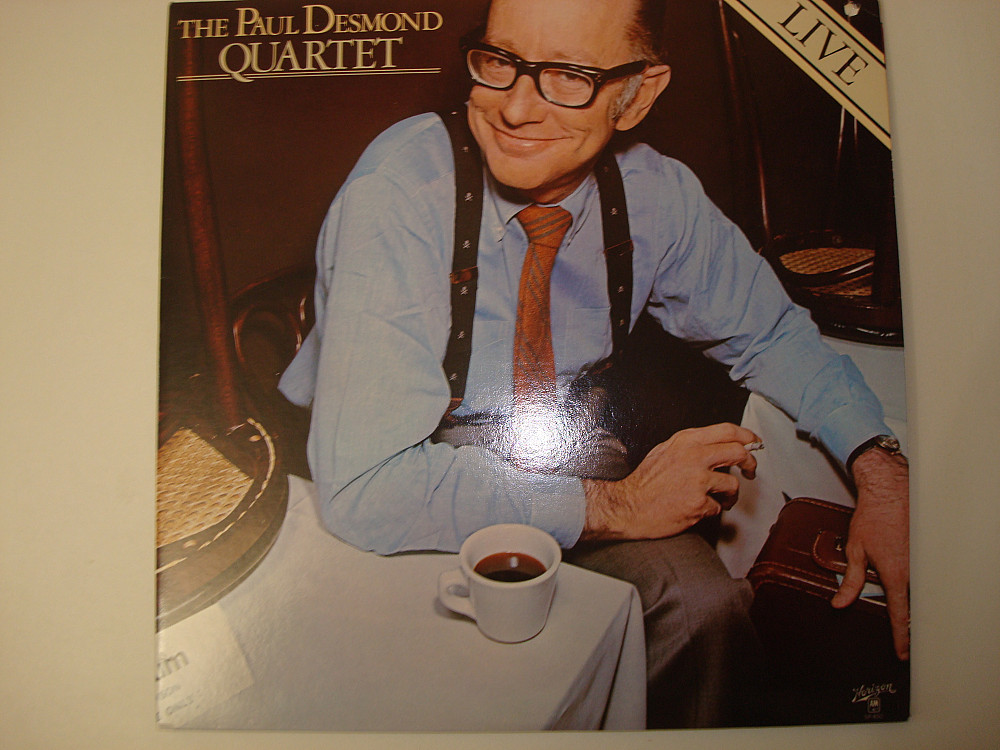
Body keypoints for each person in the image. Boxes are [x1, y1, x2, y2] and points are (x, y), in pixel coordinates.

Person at [279, 0, 909, 728]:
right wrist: (623, 506)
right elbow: (365, 488)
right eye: (499, 61)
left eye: (569, 77)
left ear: (636, 95)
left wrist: (880, 468)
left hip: (558, 445)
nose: (517, 108)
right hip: (386, 460)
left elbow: (771, 334)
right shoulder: (400, 190)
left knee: (705, 612)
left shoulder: (655, 195)